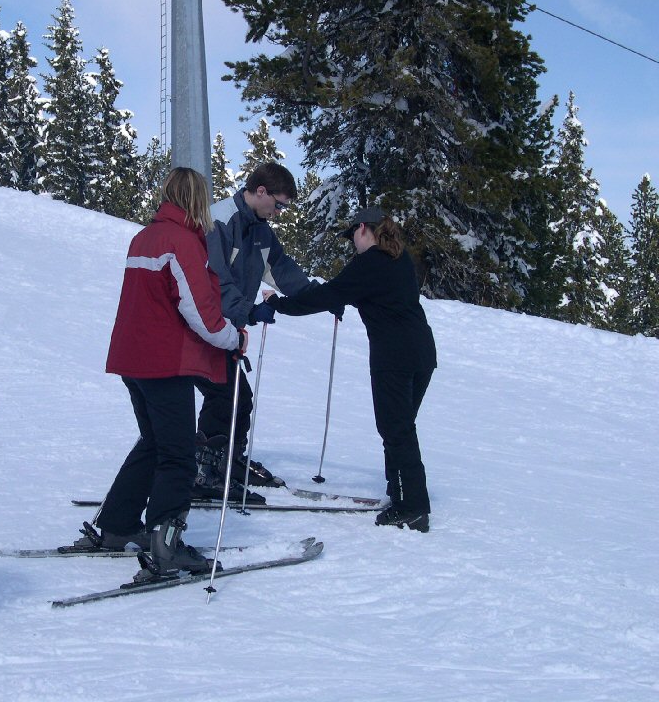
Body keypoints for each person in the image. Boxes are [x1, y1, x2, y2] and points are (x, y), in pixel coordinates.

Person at [84, 167, 245, 575]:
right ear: (196, 199)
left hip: (132, 359)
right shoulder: (183, 242)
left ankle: (118, 524)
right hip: (164, 363)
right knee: (177, 453)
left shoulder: (145, 237)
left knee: (154, 442)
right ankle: (166, 542)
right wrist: (233, 339)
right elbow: (200, 313)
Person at [262, 207, 437, 532]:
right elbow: (367, 294)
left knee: (396, 430)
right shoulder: (398, 259)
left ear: (363, 229)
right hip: (421, 352)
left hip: (394, 357)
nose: (351, 244)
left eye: (352, 236)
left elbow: (329, 293)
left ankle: (412, 507)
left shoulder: (370, 262)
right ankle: (400, 493)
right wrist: (340, 297)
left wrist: (278, 304)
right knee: (401, 426)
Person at [193, 162, 313, 500]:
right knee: (227, 396)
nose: (280, 212)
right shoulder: (220, 220)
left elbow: (281, 269)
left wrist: (316, 296)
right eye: (279, 204)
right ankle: (205, 473)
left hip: (227, 329)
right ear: (260, 191)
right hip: (201, 327)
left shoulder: (260, 230)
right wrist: (249, 310)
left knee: (235, 397)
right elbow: (212, 278)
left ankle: (226, 462)